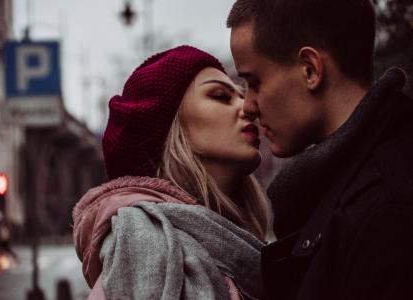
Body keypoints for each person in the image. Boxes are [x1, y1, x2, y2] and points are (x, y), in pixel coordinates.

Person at [227, 0, 413, 299]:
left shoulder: (387, 213)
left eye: (255, 82)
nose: (248, 106)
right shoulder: (360, 192)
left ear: (310, 70)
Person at [72, 45, 272, 299]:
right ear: (172, 127)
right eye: (221, 96)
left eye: (241, 95)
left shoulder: (229, 244)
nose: (248, 107)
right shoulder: (148, 246)